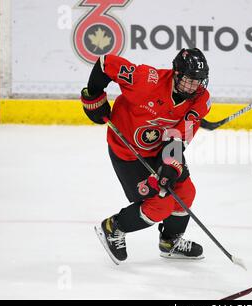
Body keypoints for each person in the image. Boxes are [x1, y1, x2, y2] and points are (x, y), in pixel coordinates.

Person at [80, 48, 211, 264]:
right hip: (127, 150)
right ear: (176, 73)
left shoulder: (200, 99)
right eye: (188, 80)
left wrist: (169, 166)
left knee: (185, 192)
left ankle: (170, 242)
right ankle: (113, 227)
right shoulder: (146, 80)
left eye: (198, 81)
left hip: (161, 148)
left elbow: (179, 137)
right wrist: (93, 96)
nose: (193, 87)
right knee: (160, 205)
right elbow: (106, 63)